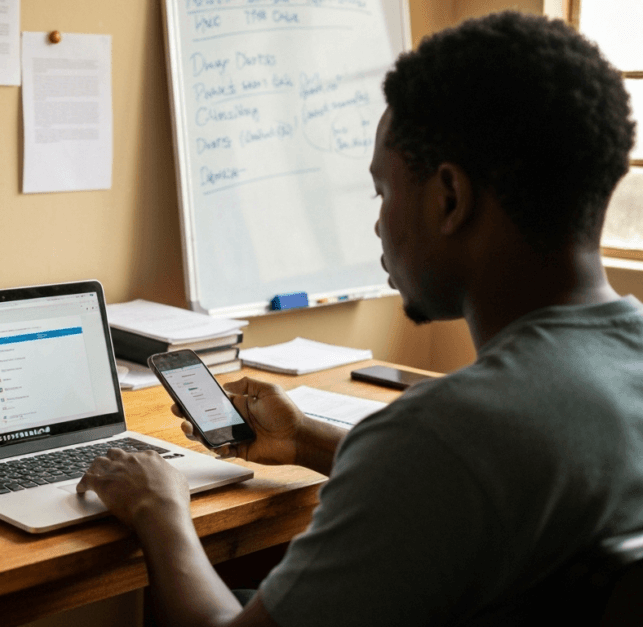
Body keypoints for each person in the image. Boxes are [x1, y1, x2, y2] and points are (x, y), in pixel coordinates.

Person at [77, 11, 643, 626]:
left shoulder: (446, 435)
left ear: (449, 198)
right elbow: (474, 488)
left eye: (383, 191)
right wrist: (303, 439)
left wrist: (160, 511)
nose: (378, 222)